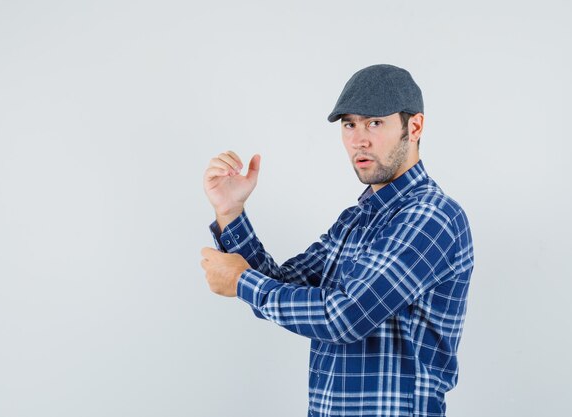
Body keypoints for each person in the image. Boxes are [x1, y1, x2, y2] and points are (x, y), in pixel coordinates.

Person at [200, 64, 474, 417]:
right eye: (349, 124)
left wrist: (241, 281)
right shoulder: (355, 221)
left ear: (415, 127)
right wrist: (231, 211)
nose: (359, 139)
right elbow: (280, 284)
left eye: (374, 122)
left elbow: (343, 317)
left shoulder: (432, 216)